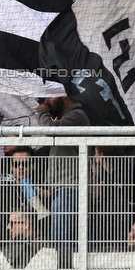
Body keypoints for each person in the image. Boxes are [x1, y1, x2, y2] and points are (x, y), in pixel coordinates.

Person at [36, 96, 90, 246]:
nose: (46, 101)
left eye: (50, 96)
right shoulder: (67, 118)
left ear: (65, 95)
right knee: (69, 243)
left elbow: (49, 130)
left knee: (61, 243)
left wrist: (42, 112)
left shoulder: (77, 115)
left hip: (69, 190)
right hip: (64, 190)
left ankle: (63, 269)